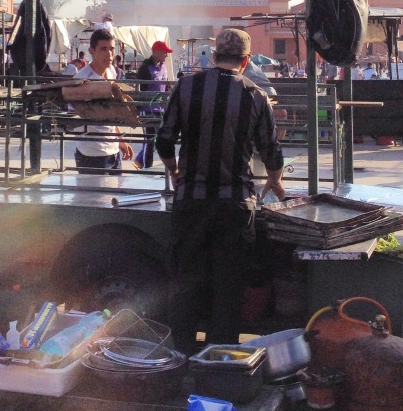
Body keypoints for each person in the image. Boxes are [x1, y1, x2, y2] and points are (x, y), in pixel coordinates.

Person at [156, 28, 285, 354]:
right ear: (245, 61)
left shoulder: (185, 86)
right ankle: (218, 363)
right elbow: (272, 152)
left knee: (185, 285)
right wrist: (275, 180)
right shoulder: (255, 94)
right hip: (235, 208)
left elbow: (164, 139)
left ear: (213, 57)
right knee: (227, 289)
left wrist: (174, 171)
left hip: (191, 204)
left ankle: (180, 357)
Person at [72, 29, 134, 173]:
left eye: (112, 49)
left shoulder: (112, 70)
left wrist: (120, 140)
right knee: (95, 195)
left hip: (113, 152)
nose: (109, 54)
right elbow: (74, 118)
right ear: (92, 51)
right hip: (92, 153)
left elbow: (113, 109)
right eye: (103, 49)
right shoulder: (82, 79)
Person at [133, 40, 173, 169]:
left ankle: (139, 161)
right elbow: (141, 90)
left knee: (159, 139)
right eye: (164, 52)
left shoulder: (164, 66)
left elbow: (165, 86)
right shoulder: (145, 68)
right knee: (149, 140)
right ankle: (145, 166)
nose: (166, 55)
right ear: (156, 52)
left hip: (160, 109)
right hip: (147, 109)